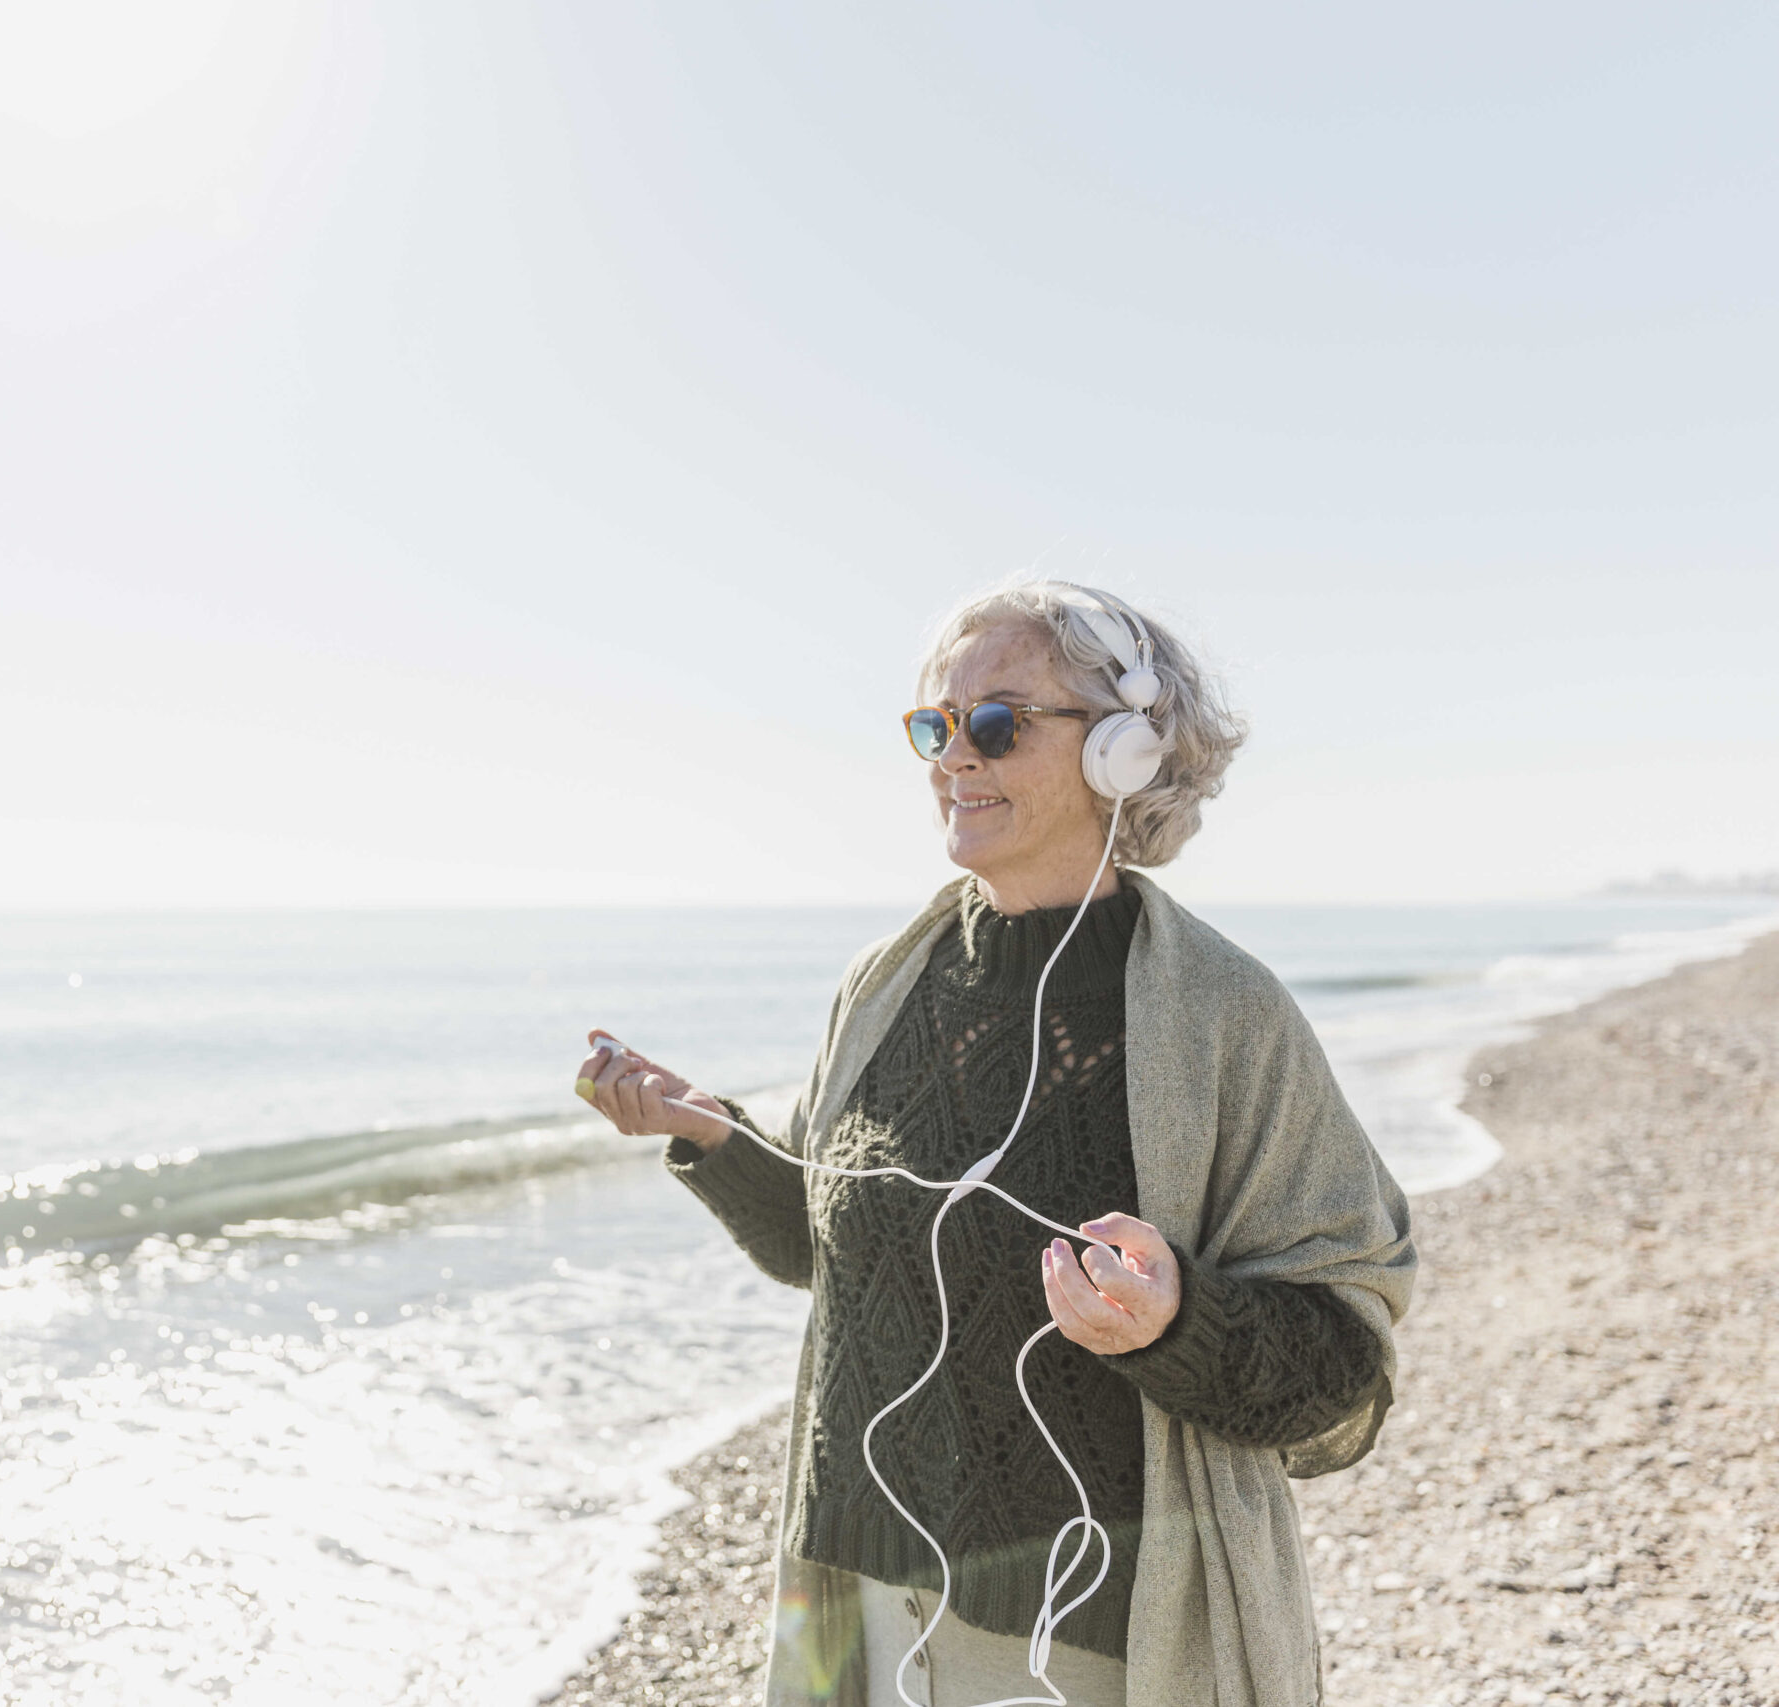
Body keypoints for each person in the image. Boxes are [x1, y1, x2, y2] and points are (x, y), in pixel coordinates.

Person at [574, 581, 1415, 1707]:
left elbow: (1340, 1364)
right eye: (936, 725)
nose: (951, 758)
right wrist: (712, 1138)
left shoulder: (1222, 1011)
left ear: (1121, 751)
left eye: (996, 722)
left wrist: (1173, 1322)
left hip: (1091, 1626)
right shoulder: (882, 984)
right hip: (854, 1589)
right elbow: (828, 1257)